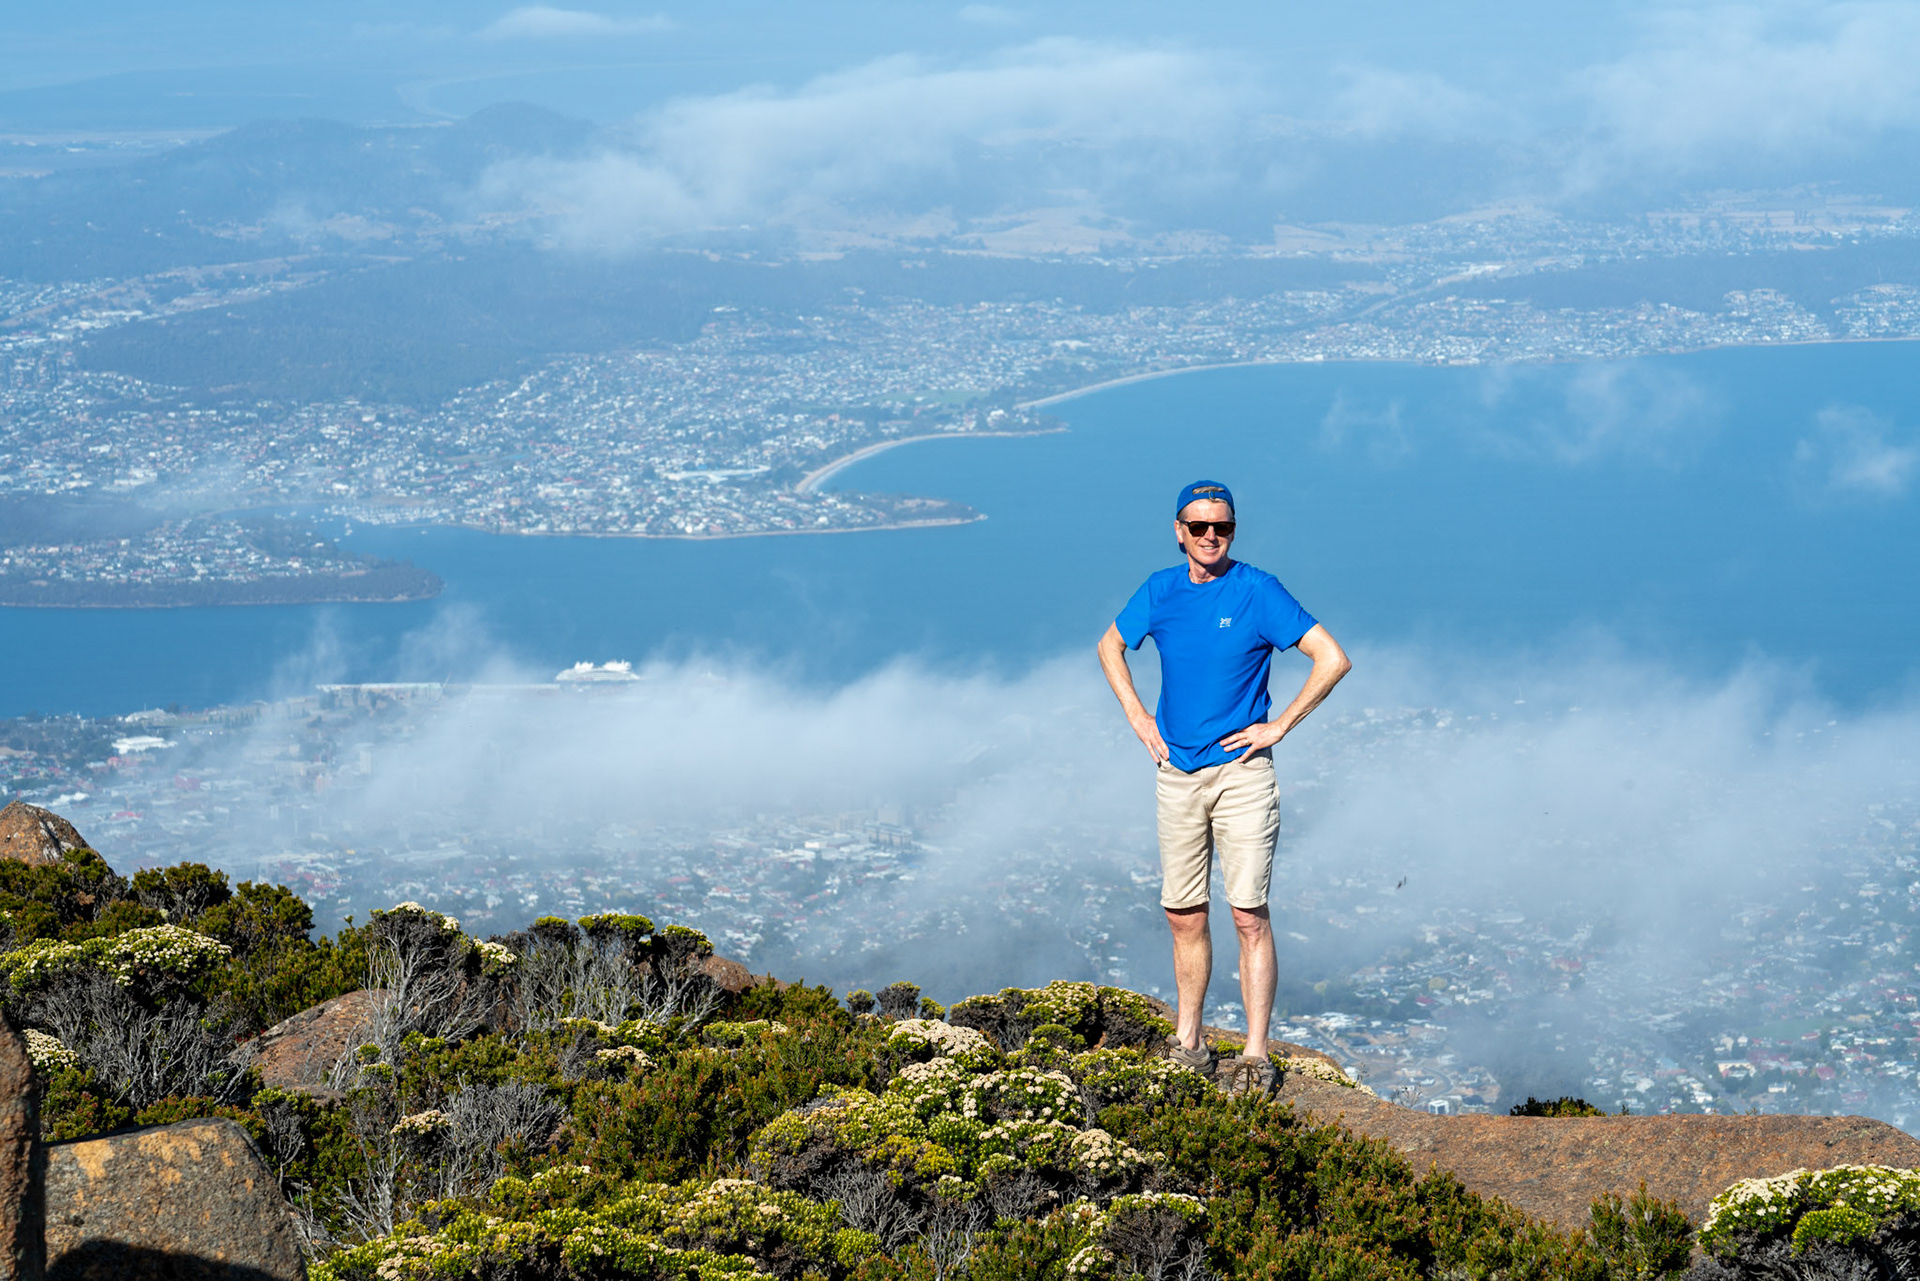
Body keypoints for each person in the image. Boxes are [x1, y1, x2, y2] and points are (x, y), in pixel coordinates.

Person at [1097, 479, 1350, 1093]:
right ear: (1179, 531)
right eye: (1200, 526)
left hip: (1241, 774)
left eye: (1224, 527)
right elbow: (1110, 645)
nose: (1212, 536)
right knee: (1182, 912)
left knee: (1247, 914)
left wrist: (1279, 726)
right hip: (1177, 772)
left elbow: (1332, 657)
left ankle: (1256, 1053)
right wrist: (1137, 717)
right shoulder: (1160, 590)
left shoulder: (1258, 589)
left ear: (1234, 530)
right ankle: (1190, 1041)